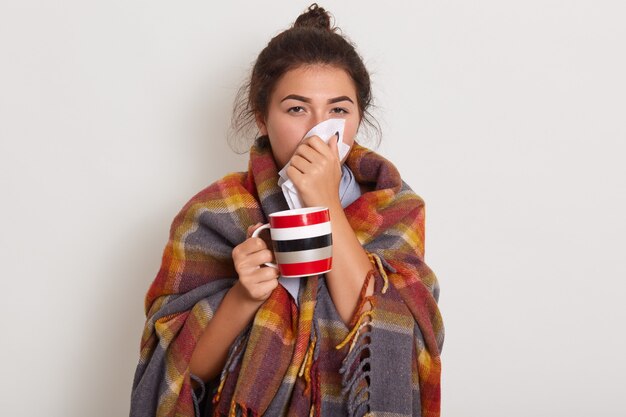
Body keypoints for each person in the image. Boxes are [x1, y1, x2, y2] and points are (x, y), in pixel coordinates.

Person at [130, 4, 443, 417]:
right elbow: (179, 375)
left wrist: (325, 201)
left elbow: (391, 343)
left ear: (358, 118)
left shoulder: (393, 207)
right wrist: (242, 296)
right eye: (297, 109)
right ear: (262, 118)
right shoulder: (212, 214)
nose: (319, 129)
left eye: (338, 110)